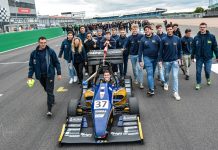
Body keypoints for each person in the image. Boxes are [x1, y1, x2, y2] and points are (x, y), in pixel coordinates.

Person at [28, 36, 62, 116]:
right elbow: (31, 66)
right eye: (41, 43)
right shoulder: (33, 53)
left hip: (50, 75)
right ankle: (52, 98)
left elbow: (56, 63)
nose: (43, 44)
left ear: (46, 43)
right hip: (40, 76)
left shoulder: (50, 51)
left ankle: (49, 110)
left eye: (44, 43)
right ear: (38, 43)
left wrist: (59, 73)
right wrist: (30, 76)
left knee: (49, 91)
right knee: (46, 89)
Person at [191, 22, 218, 90]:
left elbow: (215, 47)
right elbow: (193, 47)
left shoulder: (211, 37)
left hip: (208, 58)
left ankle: (208, 78)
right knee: (198, 71)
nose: (202, 29)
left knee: (207, 71)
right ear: (199, 28)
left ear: (206, 28)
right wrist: (192, 56)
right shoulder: (196, 37)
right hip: (199, 58)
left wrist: (217, 56)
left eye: (204, 27)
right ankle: (198, 83)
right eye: (201, 27)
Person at [159, 24, 182, 101]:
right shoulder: (163, 39)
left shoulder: (177, 39)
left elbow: (180, 50)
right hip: (166, 61)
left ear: (173, 30)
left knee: (175, 76)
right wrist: (160, 60)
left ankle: (175, 92)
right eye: (168, 29)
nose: (169, 30)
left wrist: (180, 58)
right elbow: (160, 51)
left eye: (170, 29)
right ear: (166, 30)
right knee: (166, 74)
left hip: (175, 61)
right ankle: (166, 83)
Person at [139, 25, 161, 96]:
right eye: (145, 30)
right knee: (150, 73)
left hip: (155, 58)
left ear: (151, 30)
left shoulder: (157, 37)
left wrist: (160, 58)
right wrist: (140, 60)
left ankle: (152, 84)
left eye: (148, 29)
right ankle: (151, 90)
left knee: (153, 72)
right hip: (147, 58)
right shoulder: (142, 39)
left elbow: (161, 48)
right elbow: (140, 51)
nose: (147, 31)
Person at [124, 23, 144, 89]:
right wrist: (123, 48)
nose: (134, 30)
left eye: (135, 28)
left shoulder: (141, 36)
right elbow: (125, 45)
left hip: (139, 55)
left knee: (139, 68)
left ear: (137, 29)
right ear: (131, 29)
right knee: (134, 68)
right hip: (132, 55)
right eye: (133, 29)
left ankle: (141, 82)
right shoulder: (129, 37)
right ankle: (136, 78)